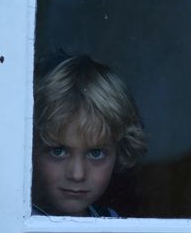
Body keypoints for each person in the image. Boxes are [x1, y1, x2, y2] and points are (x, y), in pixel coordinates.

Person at [32, 55, 147, 217]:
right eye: (58, 151)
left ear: (120, 153)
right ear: (30, 150)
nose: (77, 174)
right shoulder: (13, 220)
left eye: (96, 153)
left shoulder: (112, 223)